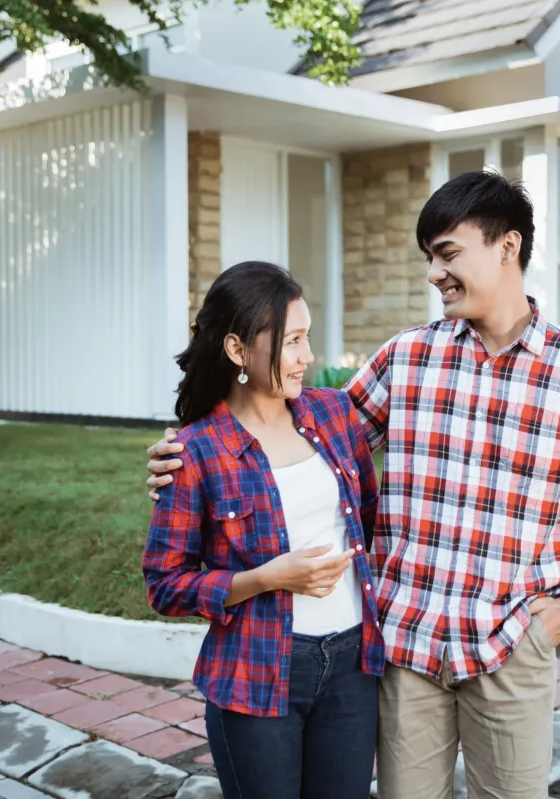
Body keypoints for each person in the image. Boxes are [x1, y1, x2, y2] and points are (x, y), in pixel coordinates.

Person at [148, 173, 560, 799]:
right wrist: (194, 456)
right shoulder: (407, 359)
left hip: (510, 640)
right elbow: (305, 433)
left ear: (508, 247)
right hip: (405, 644)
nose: (433, 274)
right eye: (429, 259)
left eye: (448, 254)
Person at [142, 261, 382, 799]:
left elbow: (369, 517)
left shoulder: (335, 414)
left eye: (307, 338)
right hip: (256, 676)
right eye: (292, 341)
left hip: (351, 667)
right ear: (236, 350)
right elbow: (164, 585)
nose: (308, 357)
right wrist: (265, 578)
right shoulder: (198, 451)